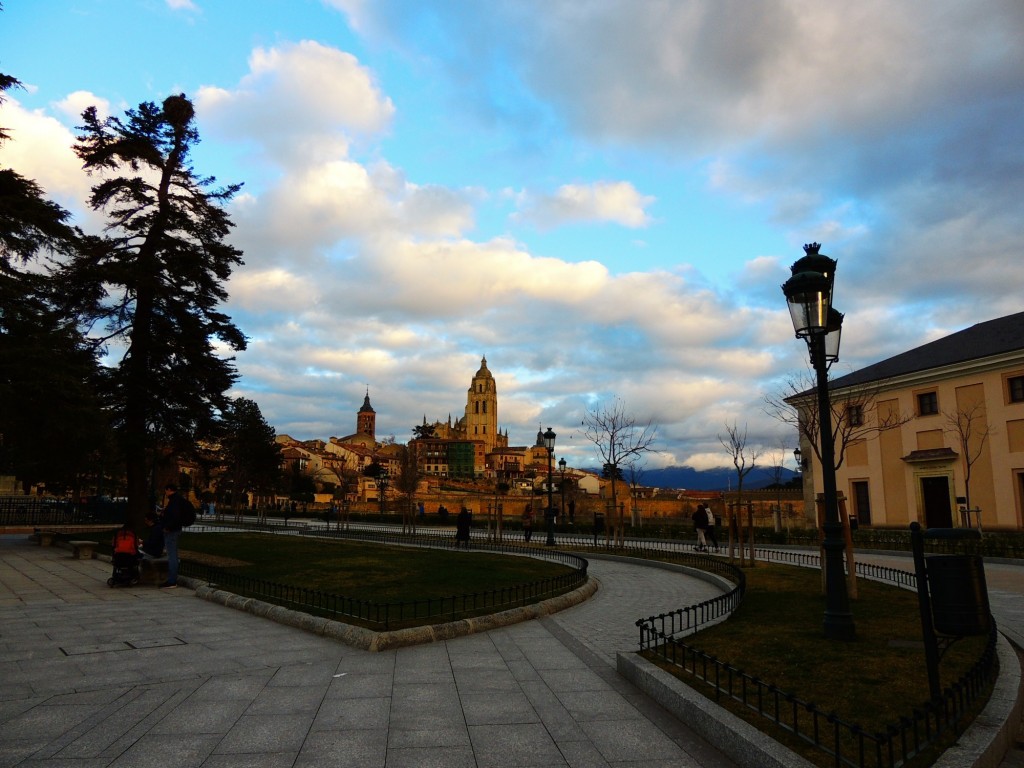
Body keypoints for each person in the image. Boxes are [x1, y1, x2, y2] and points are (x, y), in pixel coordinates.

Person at [160, 483, 187, 588]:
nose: (165, 493)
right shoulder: (177, 500)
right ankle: (172, 579)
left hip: (172, 531)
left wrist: (168, 527)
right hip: (174, 529)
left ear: (169, 490)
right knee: (173, 555)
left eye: (166, 491)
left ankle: (172, 580)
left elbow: (175, 517)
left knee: (172, 556)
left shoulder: (174, 501)